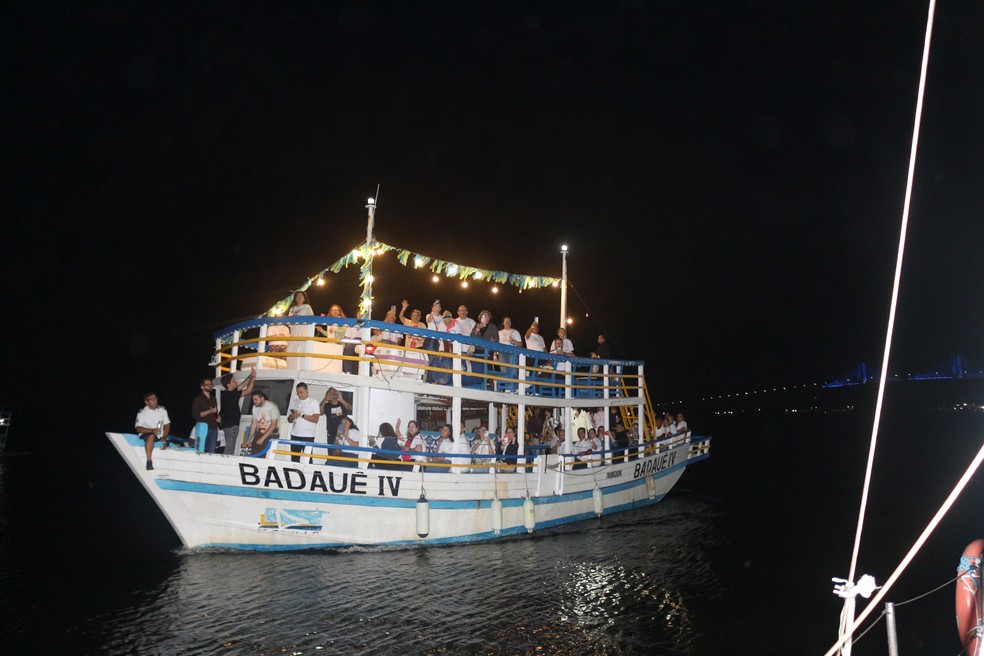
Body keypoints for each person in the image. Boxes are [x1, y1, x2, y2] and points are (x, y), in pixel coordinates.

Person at [218, 368, 256, 455]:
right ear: (229, 384)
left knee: (227, 447)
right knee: (229, 449)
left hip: (226, 425)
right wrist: (253, 377)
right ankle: (226, 463)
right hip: (232, 426)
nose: (236, 382)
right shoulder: (232, 395)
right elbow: (248, 390)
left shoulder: (225, 393)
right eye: (233, 381)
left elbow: (242, 385)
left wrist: (250, 376)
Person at [287, 382, 321, 463]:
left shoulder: (313, 402)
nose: (299, 395)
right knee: (294, 459)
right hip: (295, 435)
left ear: (307, 391)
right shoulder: (294, 402)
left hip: (308, 436)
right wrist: (293, 416)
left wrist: (301, 415)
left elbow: (315, 419)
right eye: (297, 393)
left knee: (308, 459)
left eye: (301, 392)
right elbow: (289, 420)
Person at [135, 392, 171, 470]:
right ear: (146, 402)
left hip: (159, 435)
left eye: (155, 398)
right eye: (152, 399)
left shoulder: (162, 410)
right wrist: (152, 430)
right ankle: (149, 461)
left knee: (168, 442)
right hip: (145, 433)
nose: (155, 400)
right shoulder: (142, 412)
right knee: (151, 436)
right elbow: (138, 428)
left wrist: (164, 437)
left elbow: (167, 425)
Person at [247, 390, 280, 454]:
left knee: (262, 454)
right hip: (259, 433)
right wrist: (249, 440)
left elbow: (274, 425)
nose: (254, 402)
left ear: (262, 398)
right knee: (253, 453)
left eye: (256, 399)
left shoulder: (272, 407)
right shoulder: (255, 407)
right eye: (253, 400)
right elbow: (253, 424)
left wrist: (262, 438)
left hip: (271, 434)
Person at [191, 378, 219, 453]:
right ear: (202, 387)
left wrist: (218, 417)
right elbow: (196, 415)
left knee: (212, 451)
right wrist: (210, 411)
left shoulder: (213, 398)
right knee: (200, 450)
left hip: (213, 427)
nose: (210, 386)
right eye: (207, 384)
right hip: (203, 429)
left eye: (211, 384)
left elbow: (215, 411)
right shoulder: (198, 399)